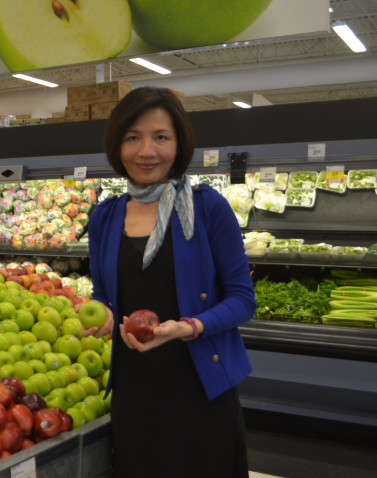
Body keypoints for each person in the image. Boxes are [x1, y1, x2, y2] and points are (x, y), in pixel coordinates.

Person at [86, 86, 256, 477]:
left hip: (199, 388)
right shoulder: (105, 218)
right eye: (133, 137)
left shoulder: (207, 208)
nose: (146, 151)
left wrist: (188, 327)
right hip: (135, 389)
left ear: (179, 144)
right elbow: (103, 295)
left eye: (161, 137)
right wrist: (103, 315)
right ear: (117, 145)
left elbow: (243, 299)